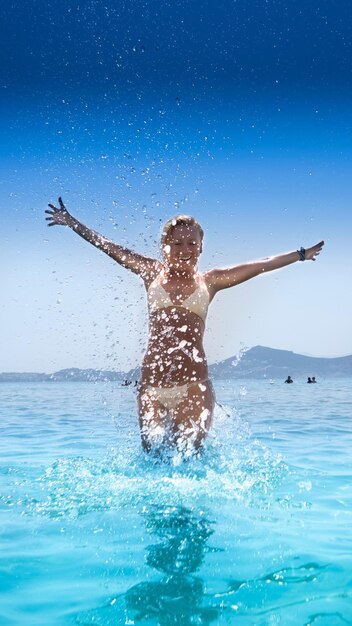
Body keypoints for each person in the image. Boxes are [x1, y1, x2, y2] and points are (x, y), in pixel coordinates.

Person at [45, 197, 324, 453]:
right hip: (151, 388)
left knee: (189, 461)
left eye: (191, 243)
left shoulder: (210, 281)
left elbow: (261, 264)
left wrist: (300, 254)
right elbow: (111, 248)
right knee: (152, 459)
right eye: (177, 243)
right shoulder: (151, 272)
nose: (184, 250)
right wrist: (73, 224)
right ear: (165, 246)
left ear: (201, 247)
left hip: (194, 387)